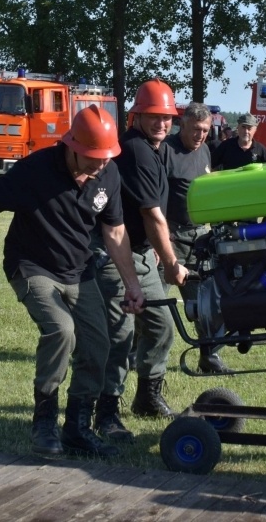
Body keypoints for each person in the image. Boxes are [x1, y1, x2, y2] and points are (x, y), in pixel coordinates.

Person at [0, 105, 144, 458]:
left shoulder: (108, 174)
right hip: (32, 265)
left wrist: (132, 284)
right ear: (73, 146)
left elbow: (115, 231)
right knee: (61, 330)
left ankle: (77, 428)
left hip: (79, 271)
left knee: (98, 344)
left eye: (107, 156)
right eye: (94, 157)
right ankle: (44, 421)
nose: (101, 164)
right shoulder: (36, 169)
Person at [91, 78, 189, 443]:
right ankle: (106, 411)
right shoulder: (136, 150)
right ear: (137, 117)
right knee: (121, 334)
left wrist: (159, 251)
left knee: (161, 325)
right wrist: (173, 263)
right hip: (115, 253)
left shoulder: (156, 148)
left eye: (167, 117)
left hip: (141, 252)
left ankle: (147, 398)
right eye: (154, 116)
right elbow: (152, 214)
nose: (162, 123)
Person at [162, 102, 233, 374]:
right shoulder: (165, 151)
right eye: (195, 129)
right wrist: (161, 238)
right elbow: (155, 197)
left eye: (205, 130)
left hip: (199, 237)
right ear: (182, 124)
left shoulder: (204, 150)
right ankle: (132, 355)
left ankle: (209, 357)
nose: (200, 135)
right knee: (153, 302)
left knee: (205, 302)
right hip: (169, 237)